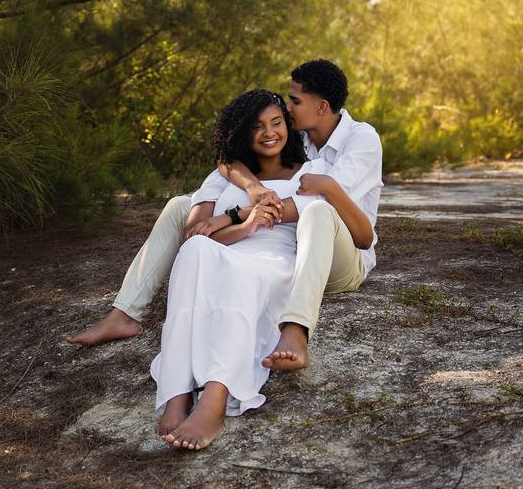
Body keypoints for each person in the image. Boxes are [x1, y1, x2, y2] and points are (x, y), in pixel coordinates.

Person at [66, 59, 383, 374]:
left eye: (295, 101)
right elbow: (228, 159)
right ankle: (124, 313)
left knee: (318, 210)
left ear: (321, 106)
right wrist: (253, 187)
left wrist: (233, 216)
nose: (286, 108)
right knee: (180, 204)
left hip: (341, 256)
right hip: (292, 250)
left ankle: (296, 329)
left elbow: (320, 199)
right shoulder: (298, 135)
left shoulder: (361, 140)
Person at [151, 89, 374, 450]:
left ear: (287, 125)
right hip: (231, 247)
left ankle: (215, 397)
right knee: (192, 252)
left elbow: (350, 230)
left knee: (240, 276)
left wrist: (251, 221)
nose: (270, 133)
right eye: (257, 127)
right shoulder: (228, 176)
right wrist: (246, 225)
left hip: (276, 260)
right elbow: (197, 235)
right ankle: (176, 394)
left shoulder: (313, 173)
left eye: (276, 123)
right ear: (242, 132)